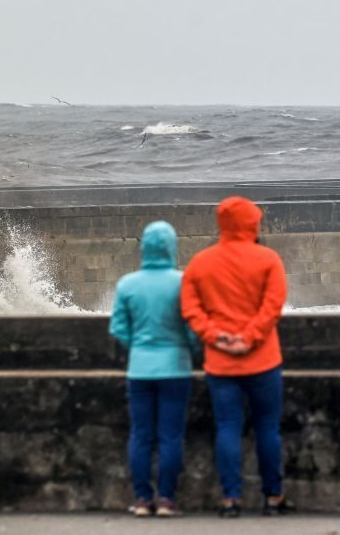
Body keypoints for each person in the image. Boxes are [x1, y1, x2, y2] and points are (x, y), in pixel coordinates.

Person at [180, 196, 292, 518]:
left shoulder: (200, 263)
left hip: (220, 362)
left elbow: (190, 309)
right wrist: (249, 338)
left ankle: (231, 499)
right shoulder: (268, 259)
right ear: (252, 223)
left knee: (227, 427)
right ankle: (273, 498)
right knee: (268, 428)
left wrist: (217, 336)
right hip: (263, 360)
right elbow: (273, 306)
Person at [109, 220, 198, 518]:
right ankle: (167, 500)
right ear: (172, 247)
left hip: (140, 369)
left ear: (144, 248)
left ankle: (143, 499)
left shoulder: (127, 284)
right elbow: (192, 329)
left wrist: (139, 347)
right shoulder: (183, 282)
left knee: (141, 435)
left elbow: (119, 328)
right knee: (171, 436)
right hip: (176, 369)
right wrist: (190, 349)